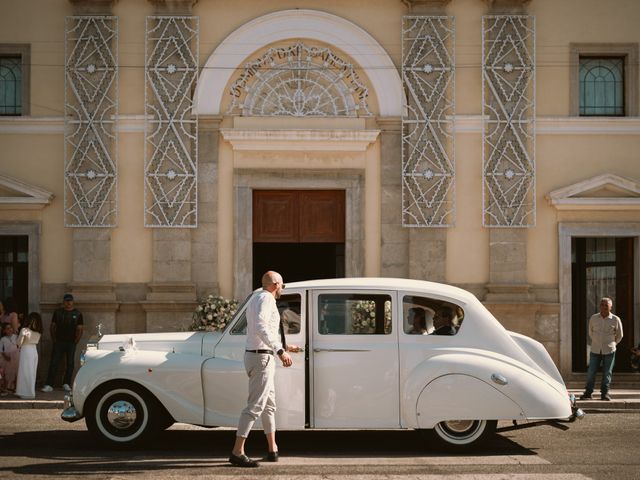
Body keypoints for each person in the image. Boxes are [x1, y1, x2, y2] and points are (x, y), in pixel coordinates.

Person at [229, 271, 299, 468]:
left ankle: (272, 449)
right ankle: (237, 452)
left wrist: (284, 347)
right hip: (262, 358)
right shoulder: (266, 298)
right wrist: (279, 351)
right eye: (282, 285)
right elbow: (261, 326)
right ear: (276, 284)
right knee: (255, 406)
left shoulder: (256, 298)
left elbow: (262, 330)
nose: (282, 289)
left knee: (269, 405)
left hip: (257, 355)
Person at [580, 297, 623, 401]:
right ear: (599, 306)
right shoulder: (593, 318)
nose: (603, 307)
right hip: (595, 349)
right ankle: (588, 393)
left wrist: (612, 344)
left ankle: (605, 393)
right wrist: (596, 341)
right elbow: (591, 332)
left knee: (607, 373)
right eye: (602, 305)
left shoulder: (615, 319)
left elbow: (620, 335)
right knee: (591, 372)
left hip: (609, 350)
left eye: (606, 305)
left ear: (610, 307)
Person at [41, 293, 84, 393]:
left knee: (70, 363)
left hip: (71, 342)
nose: (68, 303)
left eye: (70, 301)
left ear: (73, 302)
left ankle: (66, 383)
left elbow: (80, 329)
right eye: (67, 301)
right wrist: (54, 339)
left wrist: (76, 340)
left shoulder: (78, 314)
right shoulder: (58, 312)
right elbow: (52, 326)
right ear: (63, 302)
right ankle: (49, 384)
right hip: (59, 341)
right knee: (54, 363)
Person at [15, 312, 43, 399]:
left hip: (26, 351)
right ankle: (30, 392)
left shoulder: (24, 330)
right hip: (34, 351)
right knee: (32, 372)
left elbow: (18, 343)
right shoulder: (38, 333)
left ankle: (24, 393)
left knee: (24, 371)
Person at [0, 323, 19, 393]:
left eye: (10, 328)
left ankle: (15, 387)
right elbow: (1, 350)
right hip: (6, 357)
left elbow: (19, 346)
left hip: (16, 357)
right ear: (4, 331)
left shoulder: (16, 337)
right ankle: (6, 387)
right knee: (7, 373)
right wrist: (5, 356)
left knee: (15, 372)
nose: (10, 330)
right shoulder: (3, 339)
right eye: (7, 329)